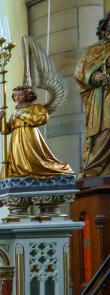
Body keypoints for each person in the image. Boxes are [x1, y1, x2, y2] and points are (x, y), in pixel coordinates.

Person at [0, 85, 74, 179]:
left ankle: (37, 174)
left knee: (33, 159)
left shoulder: (36, 107)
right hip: (16, 140)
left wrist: (23, 114)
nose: (17, 97)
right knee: (18, 161)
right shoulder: (14, 112)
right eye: (15, 95)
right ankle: (21, 176)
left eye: (20, 95)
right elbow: (6, 130)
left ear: (27, 95)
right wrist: (0, 120)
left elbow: (42, 119)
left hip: (30, 136)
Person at [77, 13, 110, 179]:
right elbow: (80, 72)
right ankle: (95, 168)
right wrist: (95, 76)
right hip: (104, 96)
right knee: (106, 129)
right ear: (105, 25)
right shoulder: (95, 50)